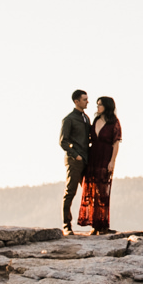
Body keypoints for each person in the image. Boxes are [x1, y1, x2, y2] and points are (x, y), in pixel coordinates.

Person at [78, 94, 121, 235]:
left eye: (100, 104)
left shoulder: (114, 122)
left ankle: (103, 225)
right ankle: (94, 225)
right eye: (97, 104)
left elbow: (116, 143)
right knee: (92, 190)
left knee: (103, 191)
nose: (97, 107)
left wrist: (112, 161)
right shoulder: (95, 120)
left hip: (105, 157)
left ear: (107, 106)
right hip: (93, 157)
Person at [59, 89, 91, 235]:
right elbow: (62, 141)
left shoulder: (86, 118)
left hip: (86, 159)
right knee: (70, 192)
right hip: (74, 161)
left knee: (90, 192)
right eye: (84, 99)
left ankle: (95, 224)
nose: (87, 101)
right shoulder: (69, 119)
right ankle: (67, 225)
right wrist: (75, 155)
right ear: (76, 101)